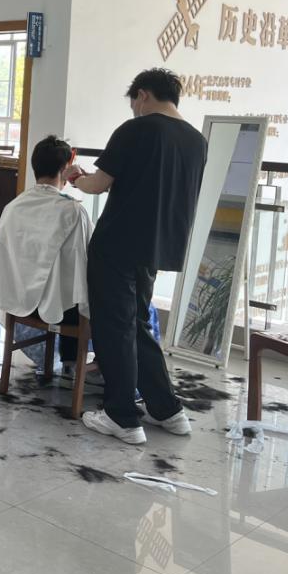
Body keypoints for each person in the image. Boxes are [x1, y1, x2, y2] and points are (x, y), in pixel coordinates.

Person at [65, 68, 206, 445]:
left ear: (142, 94)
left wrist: (75, 177)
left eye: (134, 103)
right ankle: (167, 409)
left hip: (117, 243)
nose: (134, 110)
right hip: (158, 246)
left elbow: (98, 184)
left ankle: (122, 416)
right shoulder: (196, 140)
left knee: (115, 327)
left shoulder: (136, 130)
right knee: (139, 322)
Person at [0, 135, 91, 374]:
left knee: (66, 286)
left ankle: (67, 362)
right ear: (66, 169)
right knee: (88, 293)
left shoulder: (13, 207)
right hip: (59, 313)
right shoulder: (73, 211)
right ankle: (76, 362)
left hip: (16, 300)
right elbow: (86, 263)